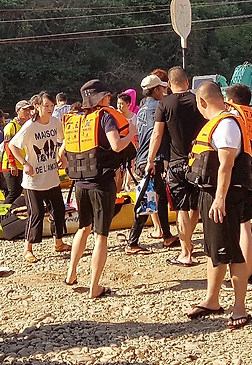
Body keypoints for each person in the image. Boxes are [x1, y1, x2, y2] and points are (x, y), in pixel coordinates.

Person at [185, 82, 252, 329]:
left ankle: (240, 307)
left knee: (232, 251)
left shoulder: (226, 125)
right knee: (214, 250)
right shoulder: (217, 123)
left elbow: (226, 165)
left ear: (202, 102)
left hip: (224, 196)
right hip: (210, 193)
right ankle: (211, 300)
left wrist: (220, 198)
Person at [61, 79, 136, 298]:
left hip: (79, 184)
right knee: (101, 236)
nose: (110, 99)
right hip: (101, 183)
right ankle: (95, 287)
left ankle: (71, 274)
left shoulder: (75, 119)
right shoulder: (105, 117)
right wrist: (130, 133)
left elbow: (62, 151)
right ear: (100, 98)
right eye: (107, 96)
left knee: (83, 228)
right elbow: (116, 145)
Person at [147, 67, 204, 267]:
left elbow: (157, 135)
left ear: (169, 85)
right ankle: (189, 240)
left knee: (181, 209)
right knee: (196, 207)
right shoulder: (199, 101)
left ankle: (185, 252)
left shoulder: (164, 104)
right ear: (187, 82)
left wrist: (150, 160)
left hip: (176, 162)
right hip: (199, 160)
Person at [8, 91, 70, 262]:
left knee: (59, 210)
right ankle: (28, 249)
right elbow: (13, 145)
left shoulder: (55, 122)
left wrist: (62, 155)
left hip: (51, 177)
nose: (50, 109)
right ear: (37, 106)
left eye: (52, 106)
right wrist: (24, 163)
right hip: (33, 181)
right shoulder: (30, 126)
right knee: (36, 213)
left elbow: (65, 138)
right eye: (46, 106)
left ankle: (58, 242)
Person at [125, 72, 176, 254]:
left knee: (159, 197)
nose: (164, 91)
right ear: (156, 90)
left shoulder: (141, 109)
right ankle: (132, 242)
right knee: (146, 199)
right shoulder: (160, 107)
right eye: (162, 88)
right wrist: (152, 159)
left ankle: (167, 235)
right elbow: (158, 134)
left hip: (143, 158)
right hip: (152, 160)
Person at [225, 83, 252, 289]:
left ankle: (245, 275)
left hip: (237, 176)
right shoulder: (248, 114)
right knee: (246, 227)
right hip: (250, 172)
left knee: (240, 228)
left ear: (231, 101)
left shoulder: (233, 116)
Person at [0, 101, 32, 202]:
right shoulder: (11, 126)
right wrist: (12, 164)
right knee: (14, 192)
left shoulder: (26, 125)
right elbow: (7, 145)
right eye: (24, 110)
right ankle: (4, 210)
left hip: (21, 164)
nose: (27, 112)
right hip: (11, 165)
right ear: (18, 111)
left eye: (29, 110)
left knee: (19, 191)